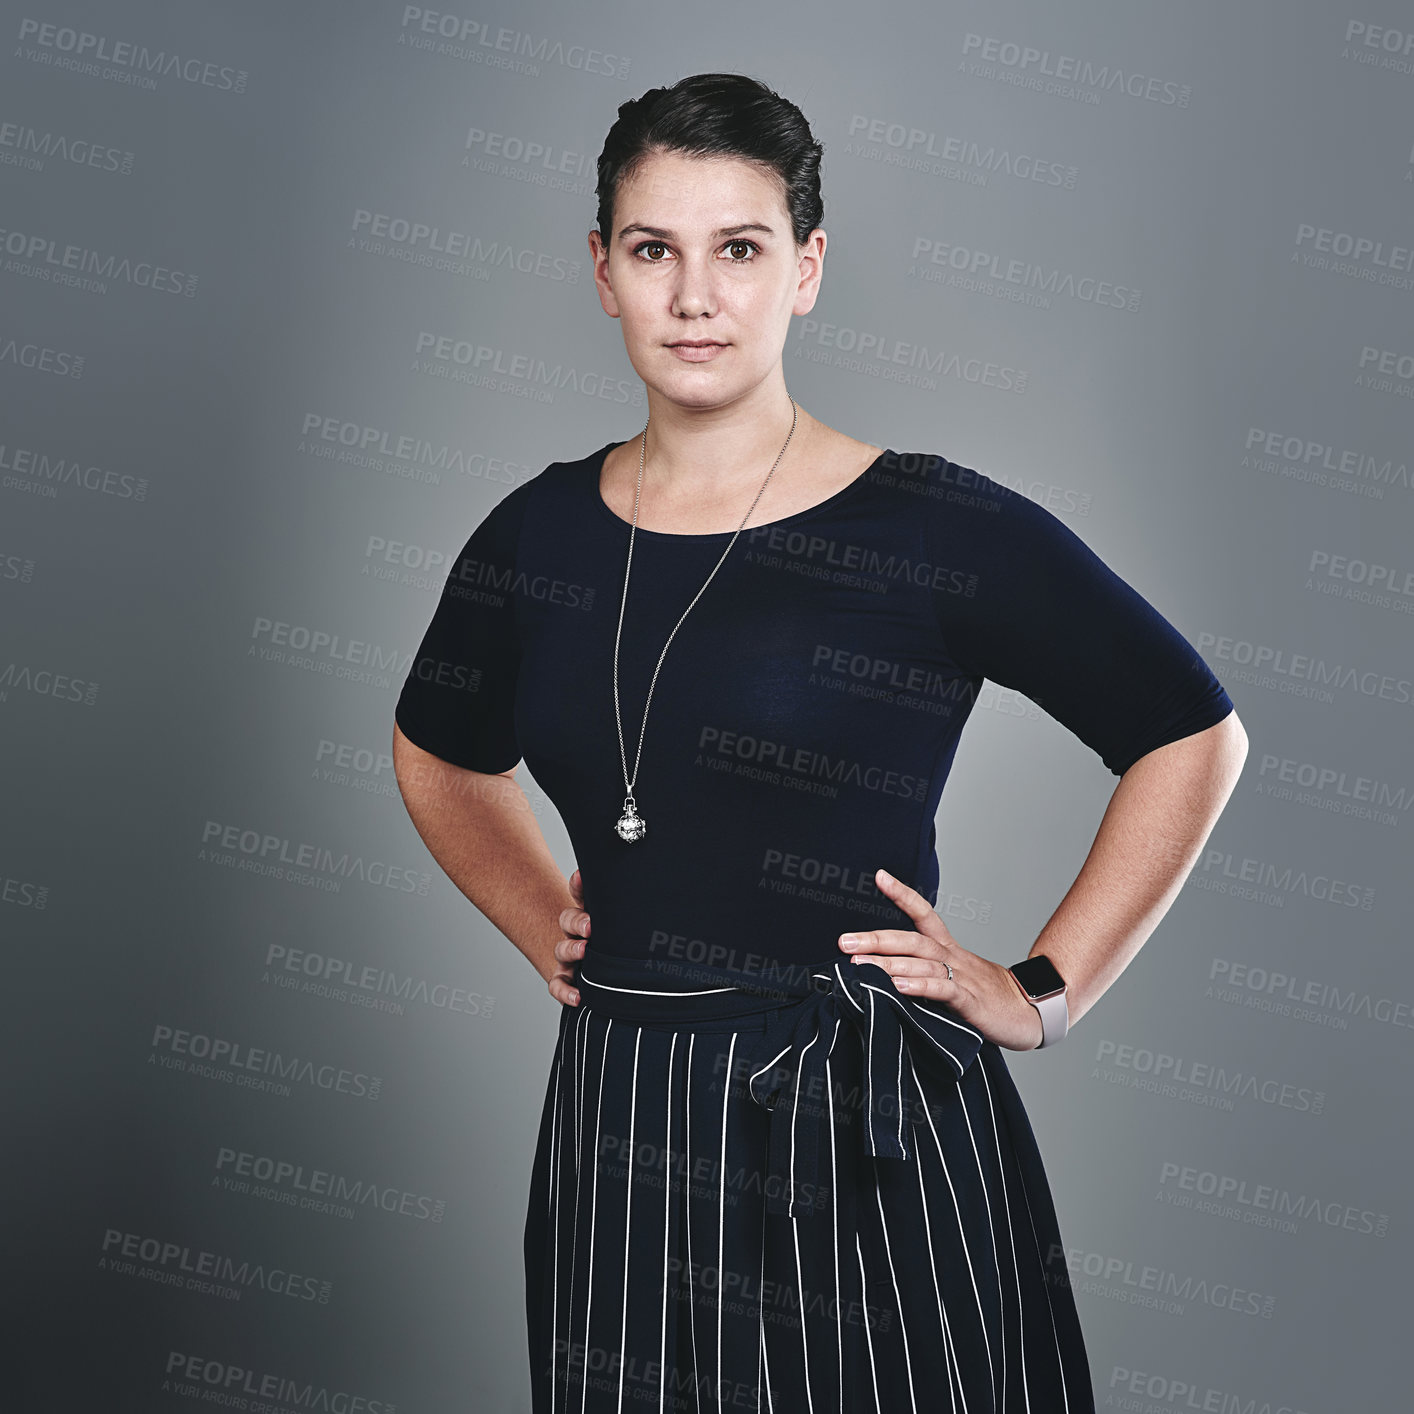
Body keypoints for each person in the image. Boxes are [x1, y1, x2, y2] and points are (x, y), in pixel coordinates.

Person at [392, 72, 1247, 1414]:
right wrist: (531, 907)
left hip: (869, 1118)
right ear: (601, 272)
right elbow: (436, 750)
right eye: (651, 249)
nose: (693, 297)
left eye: (737, 249)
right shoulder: (532, 540)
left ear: (806, 268)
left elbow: (1190, 733)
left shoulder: (932, 528)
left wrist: (1041, 987)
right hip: (625, 1114)